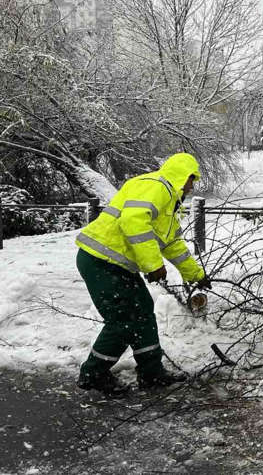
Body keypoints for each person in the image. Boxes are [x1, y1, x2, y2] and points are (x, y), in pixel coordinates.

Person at [74, 152, 211, 395]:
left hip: (115, 263)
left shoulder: (168, 203)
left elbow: (172, 245)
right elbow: (134, 222)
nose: (192, 187)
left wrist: (196, 275)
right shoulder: (156, 186)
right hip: (100, 260)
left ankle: (151, 373)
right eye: (192, 179)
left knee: (143, 312)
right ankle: (93, 374)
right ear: (182, 175)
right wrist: (153, 265)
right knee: (122, 320)